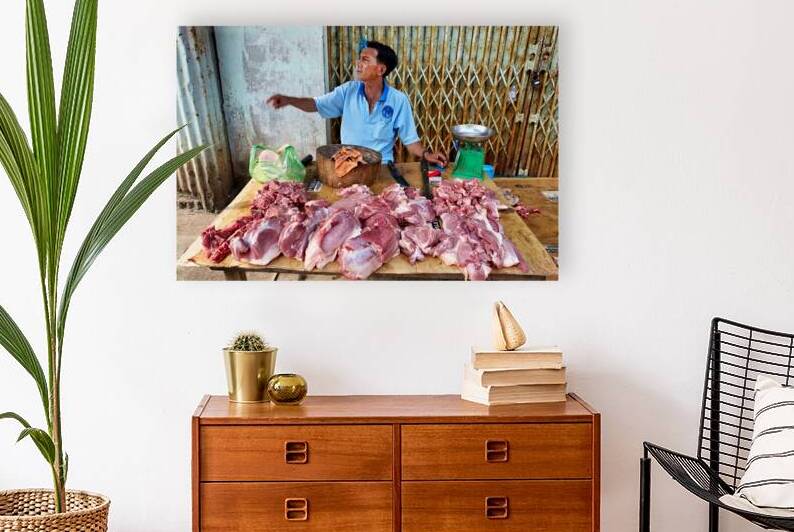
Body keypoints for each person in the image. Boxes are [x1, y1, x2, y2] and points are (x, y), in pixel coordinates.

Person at [267, 40, 447, 167]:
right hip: (348, 165)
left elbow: (410, 140)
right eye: (360, 58)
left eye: (365, 60)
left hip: (381, 166)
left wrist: (426, 154)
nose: (358, 64)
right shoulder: (348, 91)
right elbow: (316, 104)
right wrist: (289, 100)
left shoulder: (398, 100)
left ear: (381, 69)